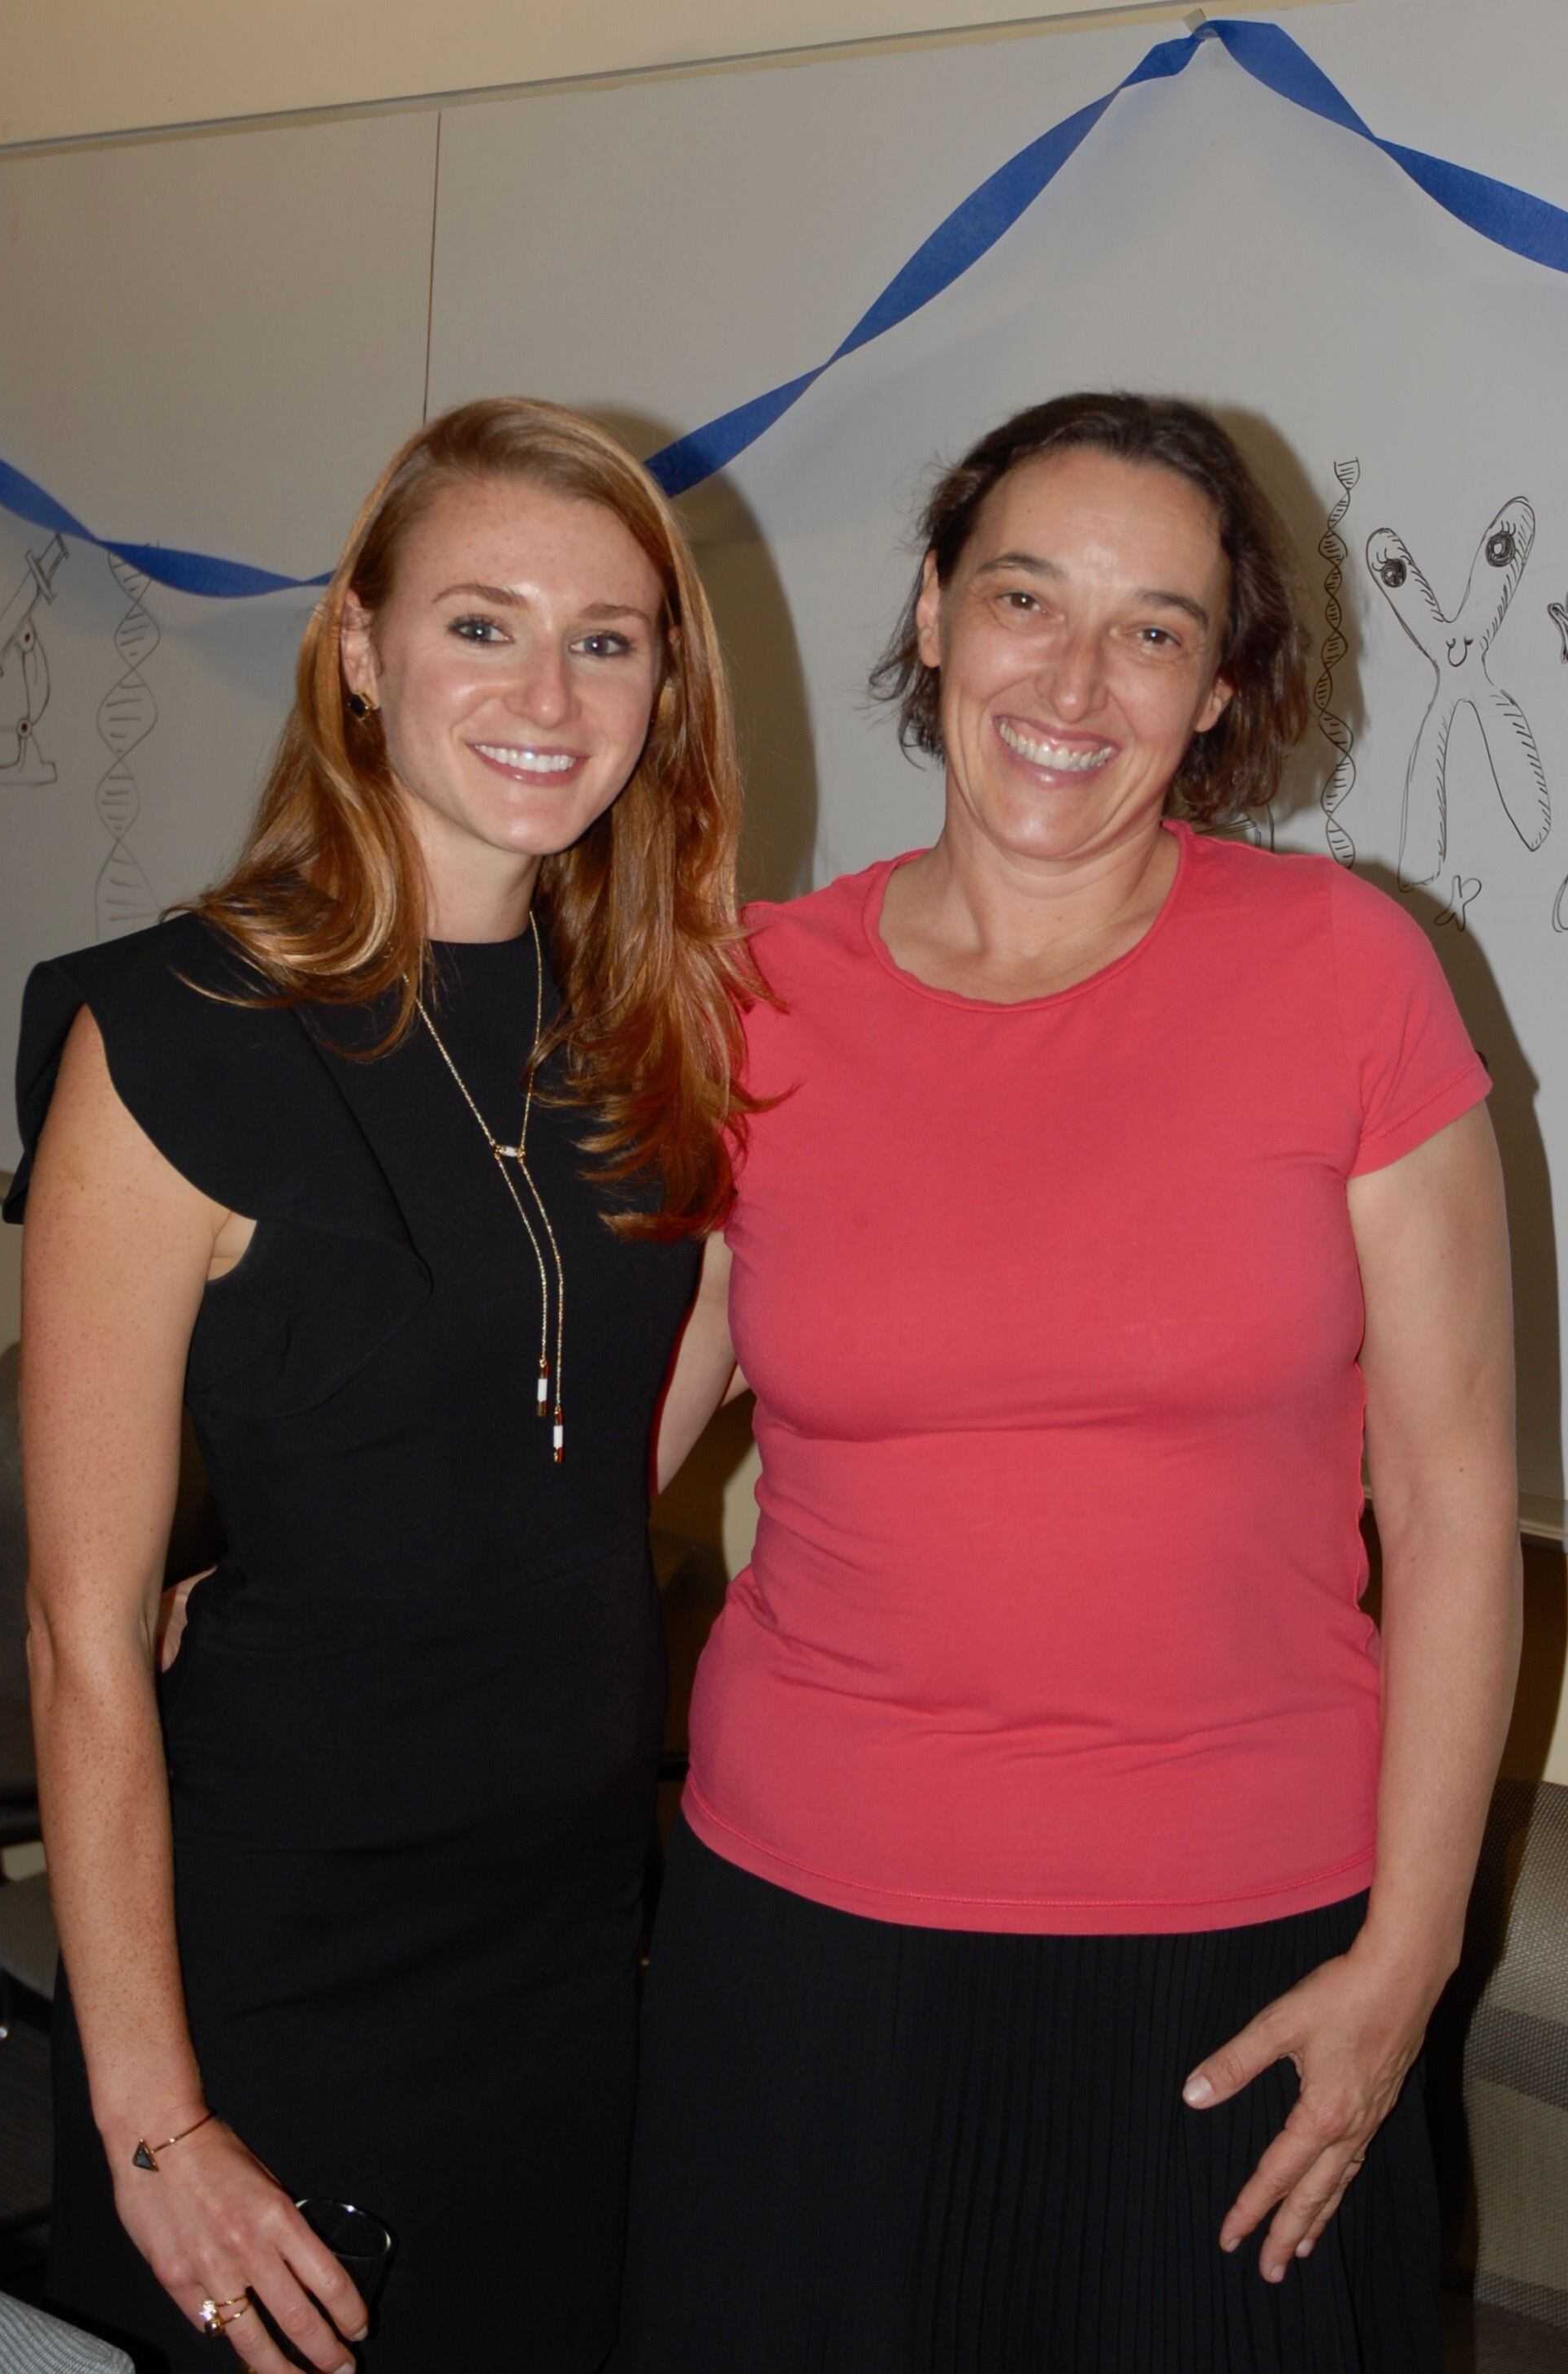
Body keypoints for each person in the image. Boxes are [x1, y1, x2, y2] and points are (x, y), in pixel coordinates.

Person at [622, 392, 1522, 2371]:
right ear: (933, 612)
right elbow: (600, 1458)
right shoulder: (749, 992)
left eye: (1155, 630)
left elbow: (1454, 1509)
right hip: (804, 1947)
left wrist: (1406, 1964)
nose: (1075, 679)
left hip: (1239, 1958)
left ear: (1216, 695)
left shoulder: (1347, 974)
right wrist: (301, 1598)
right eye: (1024, 597)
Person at [9, 397, 756, 2374]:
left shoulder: (660, 1035)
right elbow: (85, 1639)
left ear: (663, 682)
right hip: (270, 1962)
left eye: (604, 637)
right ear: (358, 646)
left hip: (569, 1947)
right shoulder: (170, 1038)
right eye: (480, 622)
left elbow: (614, 1435)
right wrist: (154, 2117)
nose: (547, 691)